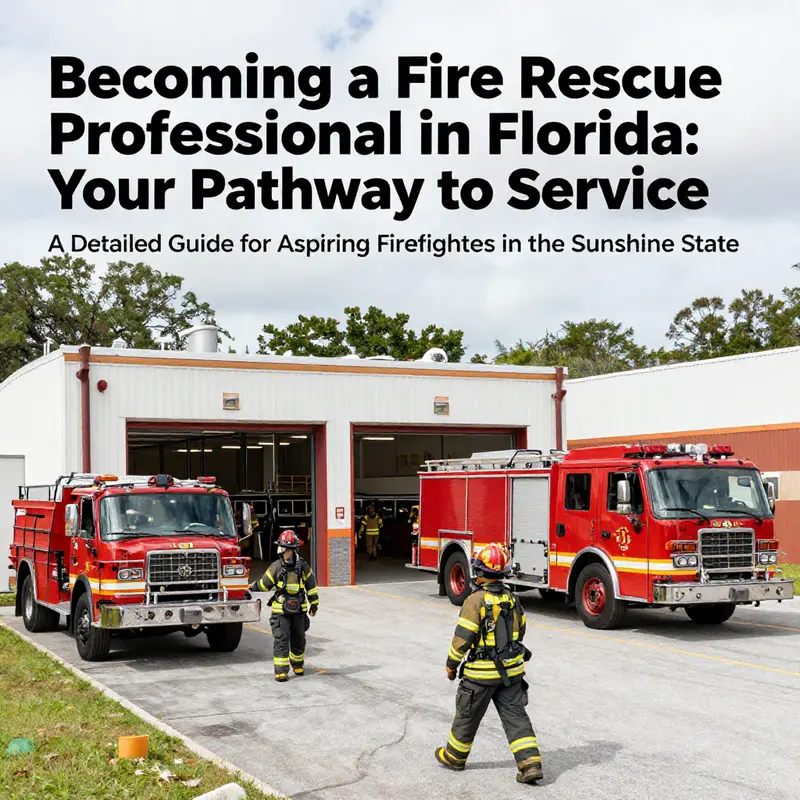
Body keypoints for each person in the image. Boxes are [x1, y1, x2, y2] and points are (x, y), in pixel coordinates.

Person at [435, 542, 543, 785]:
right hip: (511, 673)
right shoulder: (514, 600)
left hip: (480, 676)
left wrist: (452, 664)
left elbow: (463, 638)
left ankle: (454, 756)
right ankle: (530, 764)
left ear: (479, 572)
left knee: (467, 715)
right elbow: (521, 632)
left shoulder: (475, 601)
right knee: (517, 718)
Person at [248, 529, 320, 682]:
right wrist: (251, 587)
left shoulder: (303, 566)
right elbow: (264, 584)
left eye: (285, 548)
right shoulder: (276, 566)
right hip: (280, 611)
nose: (282, 551)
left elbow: (311, 585)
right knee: (281, 639)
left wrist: (314, 604)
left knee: (299, 638)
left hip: (299, 610)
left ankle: (298, 664)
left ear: (292, 549)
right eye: (282, 547)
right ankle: (281, 671)